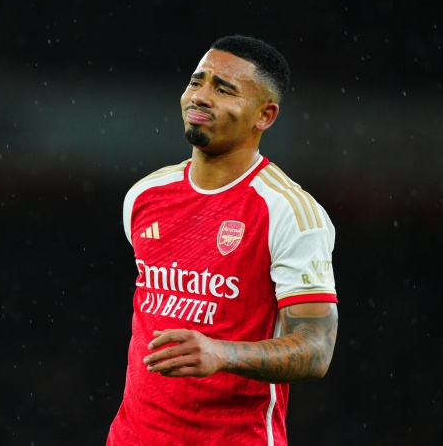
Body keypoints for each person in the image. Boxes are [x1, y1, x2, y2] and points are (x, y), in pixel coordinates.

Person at [107, 35, 339, 446]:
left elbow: (316, 349)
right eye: (196, 82)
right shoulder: (144, 196)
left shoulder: (289, 213)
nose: (200, 96)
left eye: (223, 89)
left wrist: (223, 353)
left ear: (264, 115)